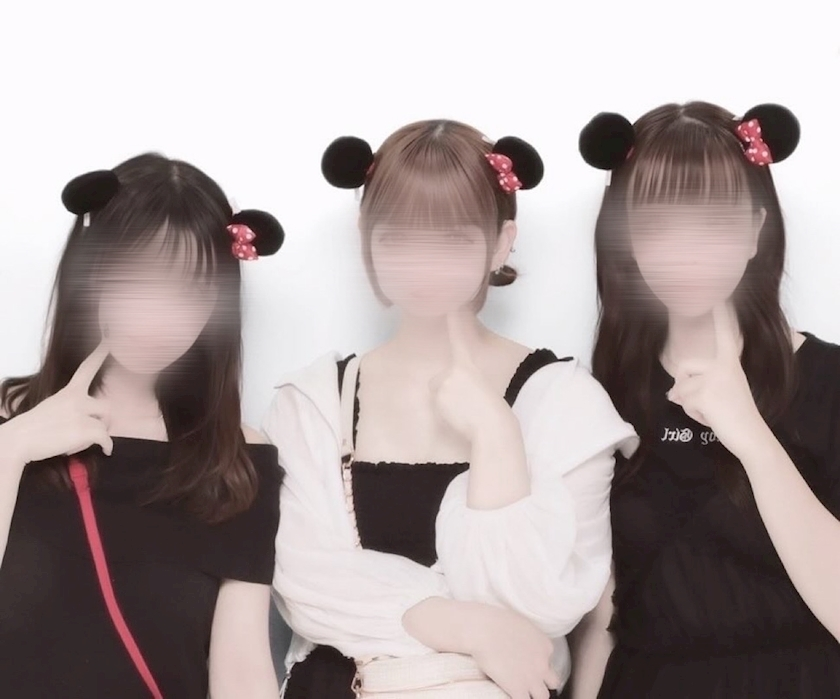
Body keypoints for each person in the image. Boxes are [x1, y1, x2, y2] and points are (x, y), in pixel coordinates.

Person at [262, 119, 638, 698]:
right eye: (399, 237)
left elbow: (546, 606)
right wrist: (473, 628)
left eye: (453, 240)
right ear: (365, 235)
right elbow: (303, 579)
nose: (423, 265)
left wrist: (496, 435)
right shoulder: (313, 401)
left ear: (501, 243)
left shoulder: (564, 402)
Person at [570, 102, 840, 698]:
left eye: (713, 223)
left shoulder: (829, 383)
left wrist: (751, 436)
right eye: (659, 225)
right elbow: (604, 613)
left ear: (756, 229)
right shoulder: (600, 396)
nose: (686, 251)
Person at [0, 153, 285, 698]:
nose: (159, 315)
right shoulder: (10, 422)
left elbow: (243, 670)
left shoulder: (235, 458)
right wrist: (11, 449)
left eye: (189, 290)